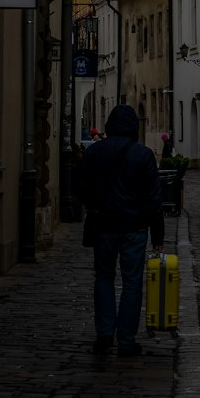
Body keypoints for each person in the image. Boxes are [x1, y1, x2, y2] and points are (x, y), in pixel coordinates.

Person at [81, 103, 164, 358]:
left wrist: (95, 208)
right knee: (131, 282)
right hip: (135, 227)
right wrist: (158, 235)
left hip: (104, 227)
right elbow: (153, 198)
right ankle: (126, 340)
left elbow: (82, 188)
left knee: (104, 278)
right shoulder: (143, 154)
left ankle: (105, 334)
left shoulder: (94, 152)